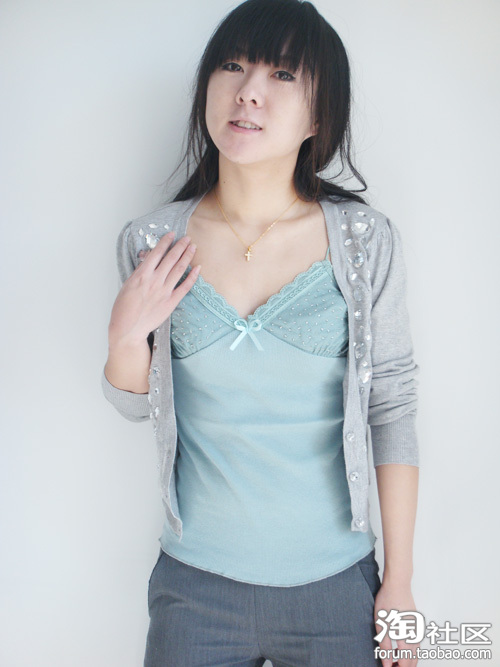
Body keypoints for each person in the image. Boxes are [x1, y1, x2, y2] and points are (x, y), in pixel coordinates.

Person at [102, 1, 420, 665]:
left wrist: (399, 583)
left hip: (339, 586)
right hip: (195, 587)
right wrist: (125, 338)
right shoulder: (152, 241)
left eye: (282, 74)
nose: (248, 90)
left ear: (320, 116)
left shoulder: (364, 241)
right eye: (232, 65)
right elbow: (136, 404)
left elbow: (392, 407)